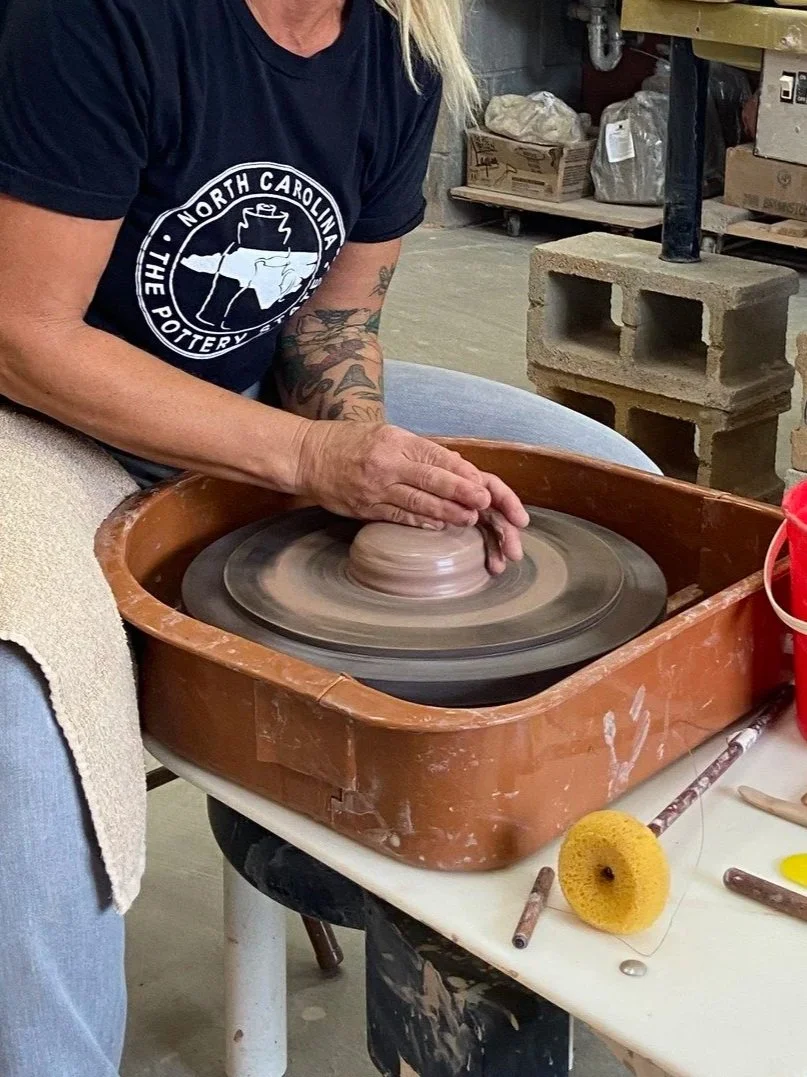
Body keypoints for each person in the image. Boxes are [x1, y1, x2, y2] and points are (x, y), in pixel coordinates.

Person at [0, 0, 655, 1073]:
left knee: (619, 492)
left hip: (245, 387)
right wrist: (307, 464)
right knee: (22, 707)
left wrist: (359, 452)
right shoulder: (103, 21)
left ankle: (500, 856)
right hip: (47, 418)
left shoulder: (401, 52)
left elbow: (331, 326)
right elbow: (24, 336)